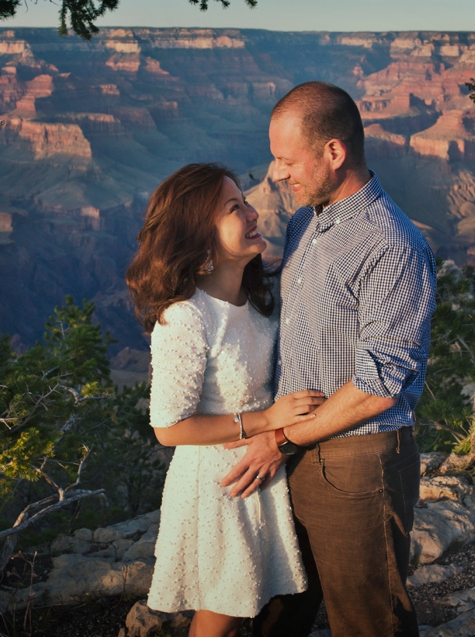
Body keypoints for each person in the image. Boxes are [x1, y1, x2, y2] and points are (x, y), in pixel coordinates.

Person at [220, 81, 437, 636]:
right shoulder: (304, 222)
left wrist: (283, 438)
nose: (276, 174)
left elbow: (380, 384)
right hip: (293, 451)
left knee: (367, 617)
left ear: (334, 152)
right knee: (276, 605)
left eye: (288, 160)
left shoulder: (391, 244)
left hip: (355, 461)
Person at [125, 162, 325, 637]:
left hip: (260, 473)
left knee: (249, 606)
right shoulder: (186, 318)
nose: (255, 212)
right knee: (221, 616)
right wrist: (268, 419)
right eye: (235, 208)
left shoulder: (258, 300)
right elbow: (168, 427)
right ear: (201, 237)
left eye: (245, 201)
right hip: (221, 487)